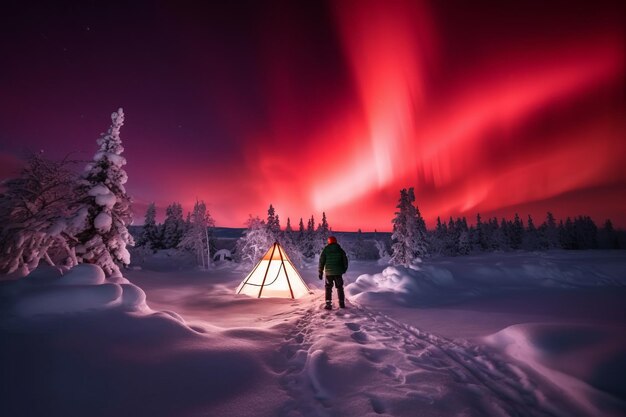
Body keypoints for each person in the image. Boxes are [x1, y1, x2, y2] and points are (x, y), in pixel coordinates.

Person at [319, 236, 349, 309]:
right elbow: (345, 260)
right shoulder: (340, 250)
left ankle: (328, 304)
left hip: (329, 273)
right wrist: (344, 269)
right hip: (338, 273)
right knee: (340, 288)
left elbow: (321, 261)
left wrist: (320, 272)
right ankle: (342, 304)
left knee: (328, 288)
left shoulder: (325, 250)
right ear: (335, 241)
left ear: (329, 242)